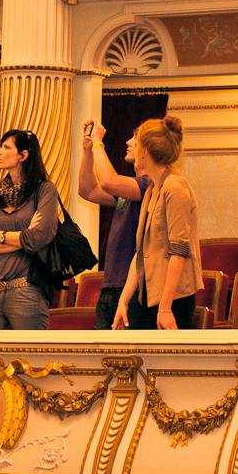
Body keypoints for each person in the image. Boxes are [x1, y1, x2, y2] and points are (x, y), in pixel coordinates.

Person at [112, 117, 198, 331]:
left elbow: (179, 250)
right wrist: (123, 300)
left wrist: (166, 307)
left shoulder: (175, 187)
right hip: (149, 294)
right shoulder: (152, 189)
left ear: (145, 151)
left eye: (137, 142)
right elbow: (141, 251)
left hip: (173, 298)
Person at [0, 129, 60, 330]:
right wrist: (22, 238)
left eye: (6, 147)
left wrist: (1, 235)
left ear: (23, 155)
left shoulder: (45, 190)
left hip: (26, 290)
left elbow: (39, 237)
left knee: (28, 359)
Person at [79, 121, 150, 329]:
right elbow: (87, 190)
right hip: (110, 284)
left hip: (133, 287)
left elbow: (109, 181)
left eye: (134, 138)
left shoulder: (149, 185)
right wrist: (87, 151)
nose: (127, 142)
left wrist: (98, 143)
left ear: (148, 149)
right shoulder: (128, 189)